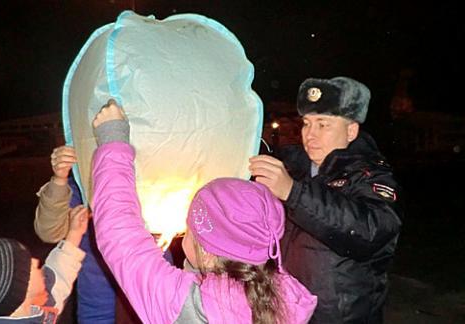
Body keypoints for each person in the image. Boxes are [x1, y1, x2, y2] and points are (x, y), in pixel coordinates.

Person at [89, 99, 317, 324]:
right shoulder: (288, 300)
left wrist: (113, 139)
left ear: (208, 255)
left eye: (190, 230)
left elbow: (120, 235)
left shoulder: (184, 305)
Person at [249, 76, 403, 323]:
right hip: (288, 310)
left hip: (340, 317)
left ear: (351, 130)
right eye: (306, 124)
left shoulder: (370, 175)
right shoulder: (290, 166)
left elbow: (371, 231)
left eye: (323, 125)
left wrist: (293, 193)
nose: (310, 134)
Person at [0, 206, 88, 323]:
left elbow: (57, 280)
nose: (36, 261)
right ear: (22, 290)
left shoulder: (25, 305)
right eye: (29, 266)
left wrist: (74, 233)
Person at [34, 145, 118, 323]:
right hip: (97, 308)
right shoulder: (82, 190)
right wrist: (59, 178)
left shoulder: (153, 184)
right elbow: (49, 231)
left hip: (155, 303)